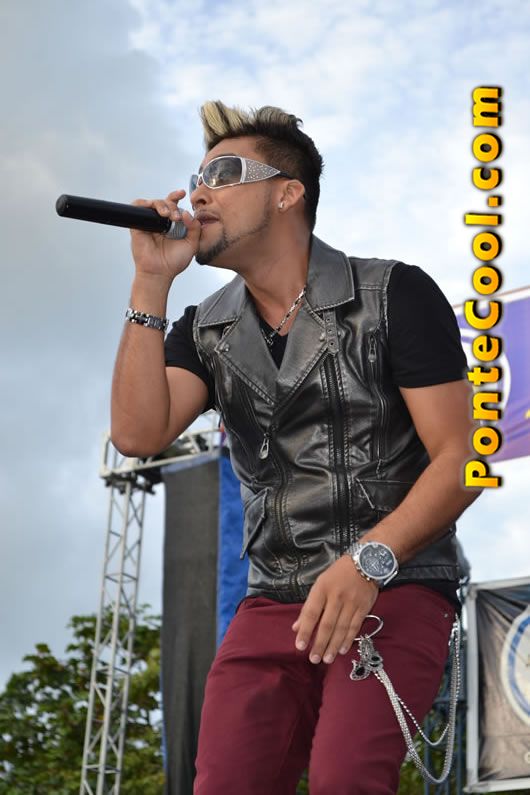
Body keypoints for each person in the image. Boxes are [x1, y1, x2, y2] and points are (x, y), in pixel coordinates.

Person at [110, 100, 482, 795]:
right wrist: (150, 281)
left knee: (346, 777)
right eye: (196, 178)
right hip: (274, 598)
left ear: (288, 194)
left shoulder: (393, 293)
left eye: (224, 173)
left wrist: (369, 558)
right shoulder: (205, 329)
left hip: (395, 580)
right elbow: (137, 434)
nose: (199, 192)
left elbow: (463, 461)